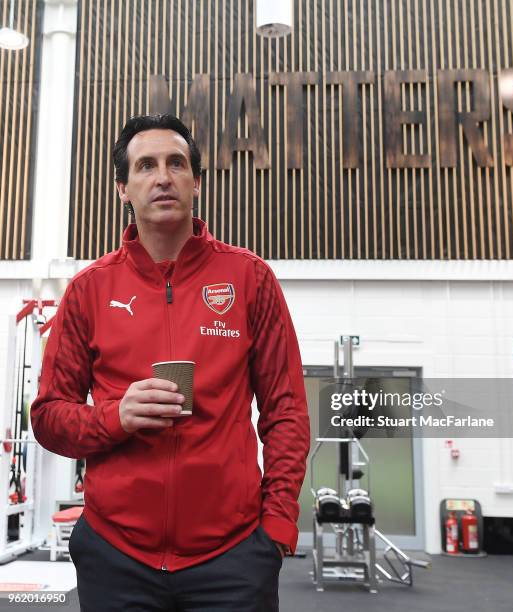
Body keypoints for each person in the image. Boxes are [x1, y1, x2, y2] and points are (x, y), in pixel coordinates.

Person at [30, 114, 310, 612]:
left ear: (196, 182)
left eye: (176, 163)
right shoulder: (89, 290)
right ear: (123, 188)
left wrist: (277, 525)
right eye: (146, 166)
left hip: (234, 558)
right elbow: (49, 417)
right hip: (116, 557)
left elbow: (286, 411)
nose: (162, 176)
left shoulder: (249, 279)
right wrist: (114, 416)